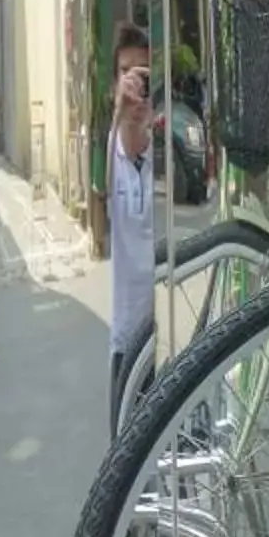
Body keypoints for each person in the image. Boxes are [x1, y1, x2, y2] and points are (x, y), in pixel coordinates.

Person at [106, 21, 154, 413]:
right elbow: (102, 190)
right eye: (126, 73)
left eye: (143, 73)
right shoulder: (109, 155)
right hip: (126, 342)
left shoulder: (167, 156)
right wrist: (120, 113)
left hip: (169, 341)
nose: (135, 82)